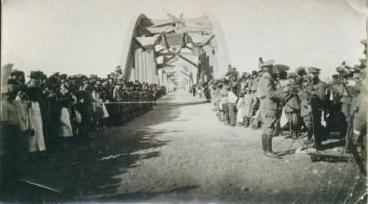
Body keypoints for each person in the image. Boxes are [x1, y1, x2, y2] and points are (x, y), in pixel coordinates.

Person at [257, 59, 280, 158]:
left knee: (266, 128)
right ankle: (268, 150)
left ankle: (265, 149)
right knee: (269, 127)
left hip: (265, 105)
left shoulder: (264, 78)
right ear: (269, 69)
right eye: (271, 68)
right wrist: (279, 92)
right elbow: (270, 94)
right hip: (269, 106)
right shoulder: (267, 79)